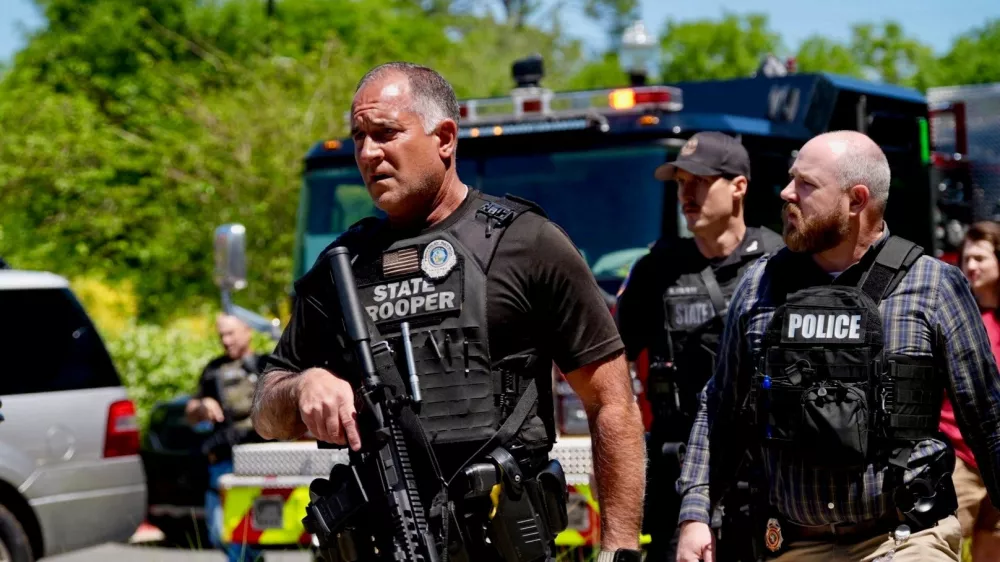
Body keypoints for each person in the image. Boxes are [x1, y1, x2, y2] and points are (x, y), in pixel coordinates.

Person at [250, 61, 646, 562]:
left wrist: (618, 549)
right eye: (359, 137)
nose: (368, 153)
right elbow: (265, 411)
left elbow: (611, 403)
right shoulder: (342, 269)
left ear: (444, 138)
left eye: (386, 133)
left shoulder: (527, 244)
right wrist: (303, 385)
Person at [674, 130, 1000, 562]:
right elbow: (721, 408)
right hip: (794, 541)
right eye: (790, 179)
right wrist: (695, 515)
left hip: (905, 537)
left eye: (806, 184)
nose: (786, 193)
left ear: (856, 200)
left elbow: (987, 417)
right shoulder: (760, 285)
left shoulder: (934, 284)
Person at [615, 131, 783, 561]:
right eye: (680, 183)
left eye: (701, 181)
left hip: (767, 471)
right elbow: (611, 359)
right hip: (679, 468)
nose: (687, 195)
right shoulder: (657, 270)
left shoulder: (780, 263)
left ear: (739, 186)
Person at [940, 221, 1000, 561]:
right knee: (941, 542)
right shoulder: (955, 315)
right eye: (966, 259)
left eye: (980, 258)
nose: (970, 266)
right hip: (958, 457)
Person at [186, 314, 265, 562]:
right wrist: (202, 406)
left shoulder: (266, 364)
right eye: (221, 335)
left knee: (251, 533)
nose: (225, 340)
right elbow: (190, 411)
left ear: (247, 331)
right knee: (219, 532)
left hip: (263, 459)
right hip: (225, 460)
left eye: (231, 334)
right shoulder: (213, 370)